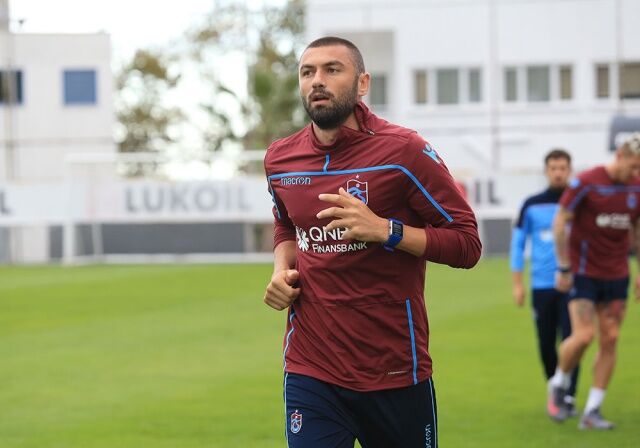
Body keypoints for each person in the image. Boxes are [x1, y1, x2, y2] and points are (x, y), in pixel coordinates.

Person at [262, 36, 481, 448]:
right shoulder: (280, 159)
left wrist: (386, 231)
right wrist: (281, 270)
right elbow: (286, 224)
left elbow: (467, 243)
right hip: (311, 368)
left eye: (332, 69)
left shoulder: (404, 151)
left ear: (362, 83)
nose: (317, 80)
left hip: (394, 372)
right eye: (307, 72)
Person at [547, 133, 640, 429]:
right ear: (621, 156)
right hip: (584, 272)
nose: (636, 172)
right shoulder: (587, 182)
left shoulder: (636, 186)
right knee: (584, 336)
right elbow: (560, 221)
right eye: (634, 166)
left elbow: (637, 231)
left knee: (610, 339)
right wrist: (563, 267)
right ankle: (559, 381)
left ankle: (592, 411)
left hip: (617, 274)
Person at [510, 149, 580, 416]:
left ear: (569, 170)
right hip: (541, 285)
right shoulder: (531, 204)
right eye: (553, 168)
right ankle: (555, 386)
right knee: (546, 342)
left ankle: (569, 396)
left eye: (563, 168)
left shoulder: (579, 202)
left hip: (573, 283)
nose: (558, 173)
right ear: (546, 171)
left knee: (574, 340)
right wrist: (518, 284)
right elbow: (518, 245)